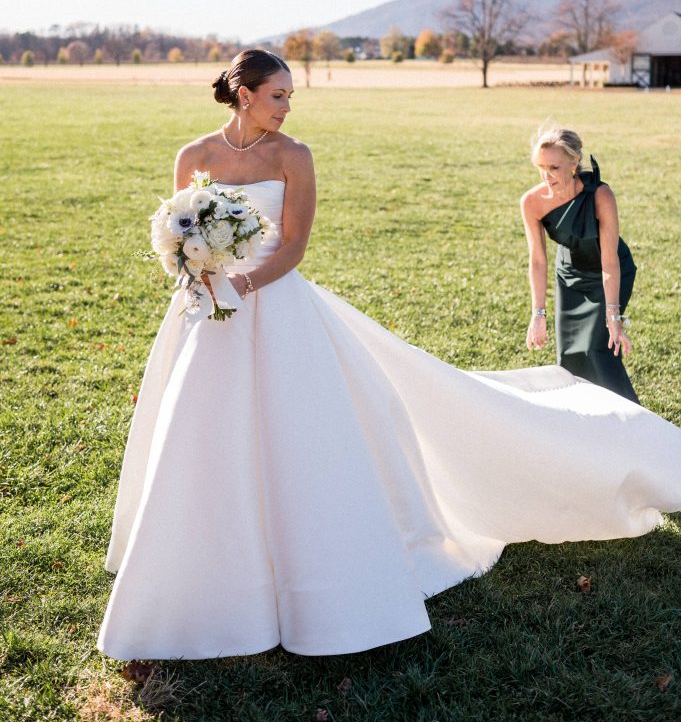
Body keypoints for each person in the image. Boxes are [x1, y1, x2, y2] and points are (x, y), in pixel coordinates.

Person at [98, 52, 681, 661]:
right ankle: (188, 559)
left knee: (292, 433)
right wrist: (197, 273)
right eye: (278, 95)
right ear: (243, 94)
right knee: (199, 428)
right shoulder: (193, 157)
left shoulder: (295, 156)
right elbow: (183, 231)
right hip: (204, 310)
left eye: (291, 96)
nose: (288, 107)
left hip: (271, 304)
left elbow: (294, 244)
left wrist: (243, 285)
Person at [520, 126, 638, 403]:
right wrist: (538, 314)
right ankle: (581, 424)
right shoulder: (531, 202)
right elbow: (537, 259)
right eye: (541, 167)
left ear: (574, 162)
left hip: (610, 273)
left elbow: (609, 259)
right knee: (570, 355)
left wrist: (614, 316)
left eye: (554, 167)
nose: (546, 176)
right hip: (570, 277)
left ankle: (630, 423)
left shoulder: (600, 195)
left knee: (599, 349)